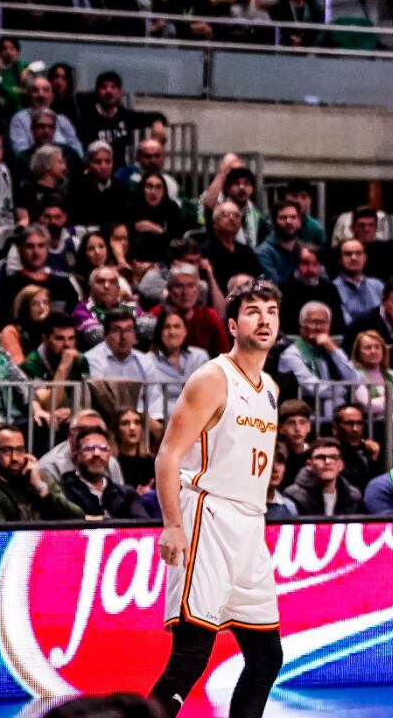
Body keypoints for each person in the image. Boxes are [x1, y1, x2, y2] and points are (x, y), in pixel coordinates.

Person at [148, 280, 284, 718]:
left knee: (266, 658)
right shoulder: (212, 377)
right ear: (231, 324)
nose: (263, 319)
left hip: (249, 524)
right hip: (207, 515)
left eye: (271, 311)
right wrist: (172, 524)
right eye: (252, 311)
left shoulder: (271, 389)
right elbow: (168, 453)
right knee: (190, 658)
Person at [0, 424, 86, 521]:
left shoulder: (38, 478)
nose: (15, 458)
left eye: (20, 450)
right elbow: (0, 538)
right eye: (6, 451)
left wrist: (40, 488)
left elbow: (77, 517)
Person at [278, 301, 357, 410]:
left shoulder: (329, 350)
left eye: (323, 322)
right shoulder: (290, 355)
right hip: (310, 418)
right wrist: (347, 387)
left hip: (338, 415)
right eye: (313, 322)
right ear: (302, 324)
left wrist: (334, 349)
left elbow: (354, 378)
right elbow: (315, 389)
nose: (318, 327)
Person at [58, 425, 150, 519]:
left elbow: (143, 528)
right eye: (89, 448)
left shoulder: (127, 494)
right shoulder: (63, 491)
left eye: (103, 449)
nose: (97, 454)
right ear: (76, 454)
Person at [282, 436, 365, 516]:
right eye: (320, 457)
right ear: (308, 465)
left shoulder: (353, 497)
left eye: (333, 457)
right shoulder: (293, 496)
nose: (327, 462)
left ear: (341, 465)